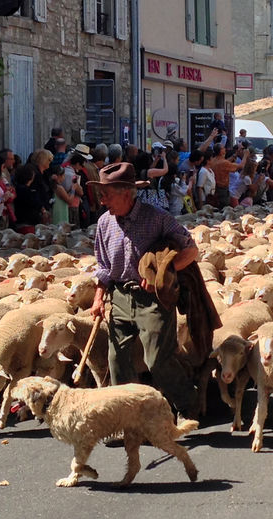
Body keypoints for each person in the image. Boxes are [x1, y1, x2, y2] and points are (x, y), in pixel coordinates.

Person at [89, 162, 200, 419]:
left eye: (107, 194)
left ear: (126, 193)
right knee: (117, 360)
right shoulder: (105, 223)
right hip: (119, 295)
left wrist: (163, 274)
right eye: (101, 195)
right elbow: (103, 265)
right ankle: (125, 416)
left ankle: (187, 402)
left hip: (152, 300)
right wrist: (98, 298)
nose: (103, 201)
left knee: (156, 360)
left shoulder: (157, 218)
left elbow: (191, 250)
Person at [211, 143, 248, 208]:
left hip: (215, 188)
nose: (225, 149)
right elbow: (241, 166)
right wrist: (245, 155)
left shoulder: (213, 160)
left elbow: (225, 162)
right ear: (220, 151)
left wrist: (235, 155)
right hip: (222, 190)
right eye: (223, 148)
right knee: (224, 207)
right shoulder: (223, 163)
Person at [13, 164, 46, 233]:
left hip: (20, 220)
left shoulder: (17, 188)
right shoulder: (27, 191)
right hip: (28, 222)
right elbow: (35, 203)